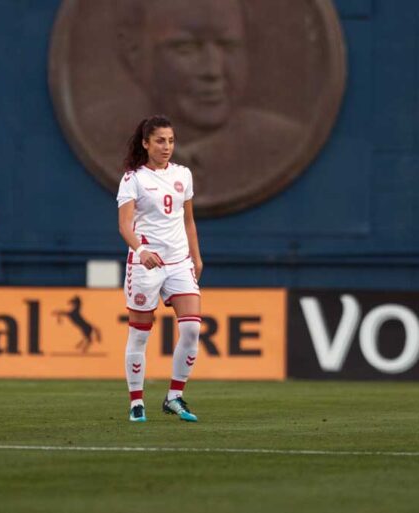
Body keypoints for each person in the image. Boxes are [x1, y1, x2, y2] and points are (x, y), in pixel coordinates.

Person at [115, 0, 302, 207]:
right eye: (186, 47)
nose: (212, 70)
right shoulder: (110, 140)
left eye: (229, 46)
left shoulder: (278, 144)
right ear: (134, 53)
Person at [117, 115, 203, 423]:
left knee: (192, 328)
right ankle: (136, 401)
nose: (166, 147)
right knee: (140, 335)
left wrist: (197, 256)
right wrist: (141, 251)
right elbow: (125, 225)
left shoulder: (183, 174)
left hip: (179, 262)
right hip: (146, 265)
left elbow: (188, 220)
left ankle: (174, 397)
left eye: (170, 141)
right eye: (160, 141)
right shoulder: (133, 179)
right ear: (145, 143)